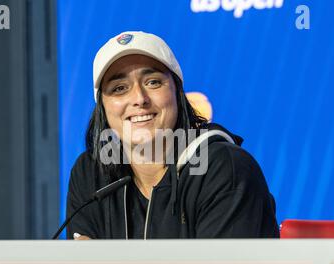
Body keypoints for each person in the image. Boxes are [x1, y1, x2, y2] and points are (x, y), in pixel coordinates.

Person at [66, 31, 279, 240]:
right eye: (120, 88)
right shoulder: (91, 173)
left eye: (153, 82)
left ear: (177, 92)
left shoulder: (223, 168)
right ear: (102, 107)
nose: (139, 98)